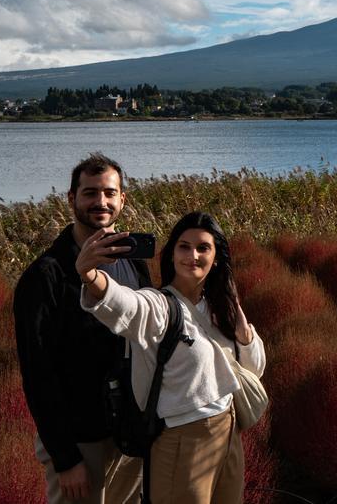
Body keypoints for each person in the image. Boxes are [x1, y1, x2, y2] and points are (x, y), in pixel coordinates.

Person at [77, 211, 263, 504]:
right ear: (172, 254)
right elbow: (127, 306)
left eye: (203, 248)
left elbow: (254, 370)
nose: (193, 255)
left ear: (216, 258)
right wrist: (92, 277)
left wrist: (243, 333)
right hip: (182, 439)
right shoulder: (160, 306)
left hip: (228, 431)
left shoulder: (219, 306)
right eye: (184, 246)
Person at [14, 153, 149, 504]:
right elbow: (37, 371)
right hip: (80, 438)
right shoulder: (46, 275)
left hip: (130, 430)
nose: (100, 202)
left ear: (123, 199)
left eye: (108, 192)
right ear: (71, 199)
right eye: (89, 193)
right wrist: (65, 458)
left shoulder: (133, 262)